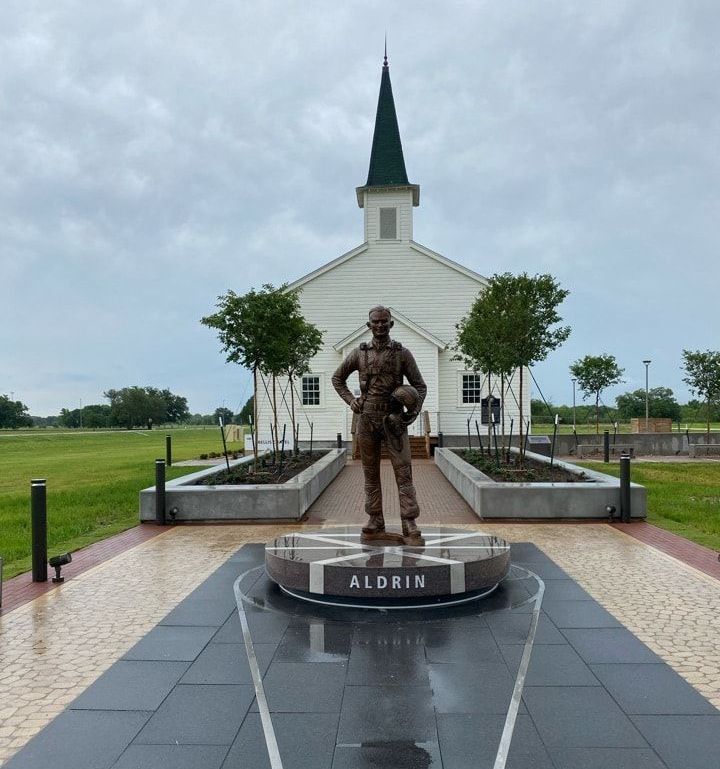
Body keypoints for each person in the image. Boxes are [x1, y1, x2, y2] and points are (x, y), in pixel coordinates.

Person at [332, 306, 427, 543]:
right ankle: (375, 518)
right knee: (370, 474)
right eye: (376, 322)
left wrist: (410, 414)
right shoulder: (359, 354)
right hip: (367, 420)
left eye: (385, 322)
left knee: (403, 472)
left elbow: (420, 386)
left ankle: (409, 520)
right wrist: (351, 400)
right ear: (369, 326)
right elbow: (337, 378)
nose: (380, 325)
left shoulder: (402, 354)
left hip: (393, 421)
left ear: (391, 324)